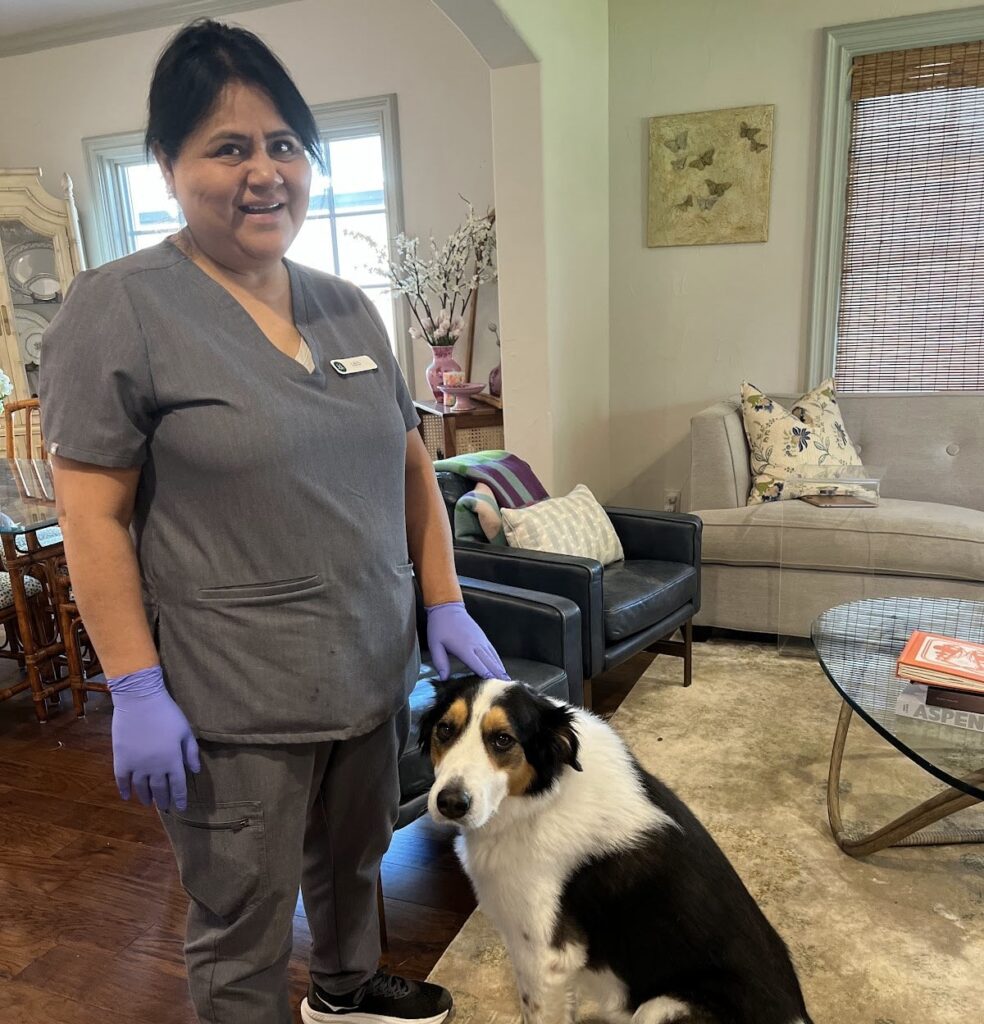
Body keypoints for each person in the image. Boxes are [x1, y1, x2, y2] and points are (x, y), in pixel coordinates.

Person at [40, 19, 507, 1024]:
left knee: (357, 857)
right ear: (168, 164)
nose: (265, 172)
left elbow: (408, 457)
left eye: (285, 144)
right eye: (228, 146)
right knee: (242, 914)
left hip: (371, 669)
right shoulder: (118, 308)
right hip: (233, 695)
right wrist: (132, 684)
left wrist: (442, 599)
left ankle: (343, 989)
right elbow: (91, 516)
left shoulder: (347, 306)